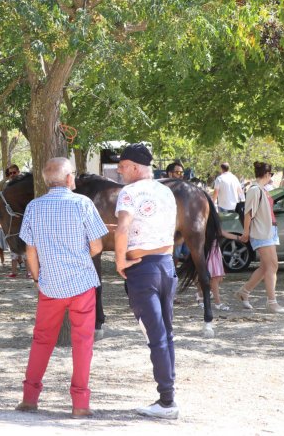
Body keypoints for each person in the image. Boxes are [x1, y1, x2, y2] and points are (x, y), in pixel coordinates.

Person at [15, 158, 107, 418]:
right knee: (83, 343)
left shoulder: (34, 207)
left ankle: (30, 398)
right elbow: (97, 246)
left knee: (41, 341)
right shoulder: (83, 204)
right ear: (68, 178)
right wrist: (78, 257)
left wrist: (37, 277)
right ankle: (80, 404)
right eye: (73, 175)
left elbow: (29, 251)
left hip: (50, 285)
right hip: (81, 285)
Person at [114, 143, 179, 420]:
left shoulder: (129, 192)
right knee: (166, 333)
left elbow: (123, 228)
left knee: (155, 336)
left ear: (136, 167)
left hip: (142, 269)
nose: (119, 170)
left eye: (123, 165)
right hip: (166, 265)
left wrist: (119, 261)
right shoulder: (166, 191)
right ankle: (168, 395)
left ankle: (167, 401)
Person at [237, 161, 284, 314]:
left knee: (266, 267)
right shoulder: (255, 190)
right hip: (262, 232)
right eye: (271, 174)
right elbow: (248, 213)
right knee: (272, 266)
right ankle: (271, 302)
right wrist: (246, 232)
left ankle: (244, 292)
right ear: (267, 174)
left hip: (269, 231)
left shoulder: (262, 190)